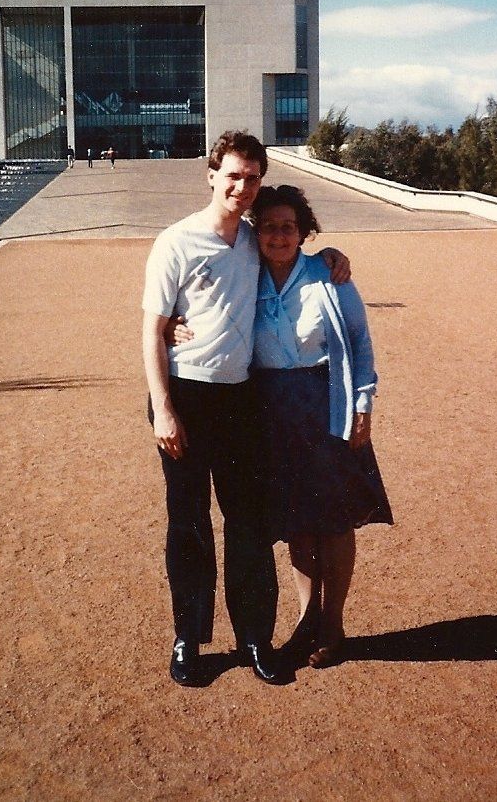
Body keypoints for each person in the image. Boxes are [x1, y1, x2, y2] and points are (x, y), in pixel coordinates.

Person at [142, 131, 351, 687]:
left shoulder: (254, 241)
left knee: (249, 524)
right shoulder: (176, 241)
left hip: (240, 399)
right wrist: (163, 408)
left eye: (252, 177)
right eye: (232, 174)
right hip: (185, 396)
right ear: (211, 174)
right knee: (188, 523)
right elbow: (148, 329)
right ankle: (189, 638)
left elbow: (295, 256)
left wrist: (331, 256)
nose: (242, 185)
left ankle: (255, 638)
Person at [171, 184, 393, 670]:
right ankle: (304, 620)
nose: (278, 235)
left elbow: (359, 340)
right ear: (257, 232)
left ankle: (332, 624)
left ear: (304, 231)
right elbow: (201, 306)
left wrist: (362, 403)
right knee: (296, 522)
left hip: (325, 404)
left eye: (288, 227)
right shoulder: (245, 274)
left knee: (333, 521)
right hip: (267, 411)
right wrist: (169, 325)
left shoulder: (328, 274)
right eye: (269, 226)